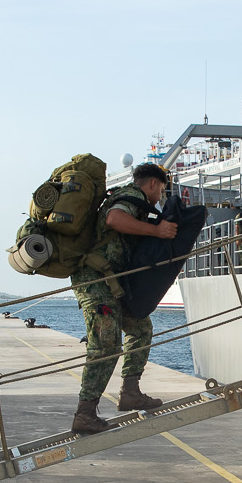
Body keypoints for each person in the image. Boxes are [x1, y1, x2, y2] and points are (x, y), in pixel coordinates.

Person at [70, 162, 177, 434]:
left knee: (141, 327)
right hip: (95, 281)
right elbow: (114, 219)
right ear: (153, 183)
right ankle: (85, 413)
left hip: (111, 281)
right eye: (162, 188)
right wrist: (157, 231)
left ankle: (130, 391)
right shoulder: (131, 196)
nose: (161, 194)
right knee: (105, 345)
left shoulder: (134, 199)